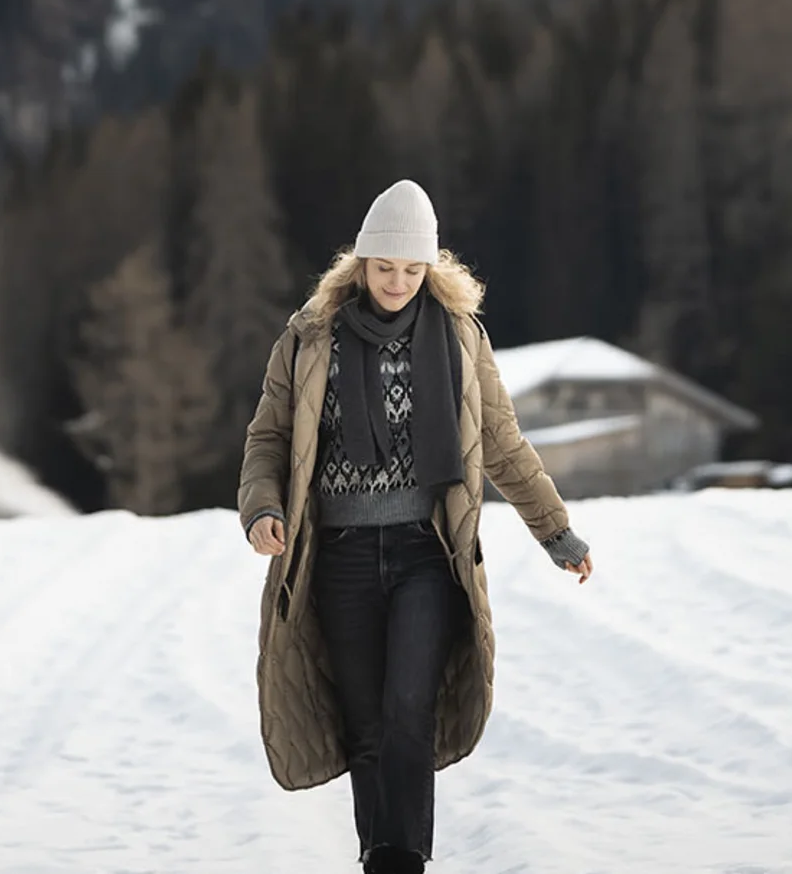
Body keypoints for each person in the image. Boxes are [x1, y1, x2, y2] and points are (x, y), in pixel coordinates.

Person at [239, 178, 594, 873]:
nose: (397, 282)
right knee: (365, 723)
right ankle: (383, 856)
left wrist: (556, 533)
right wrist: (263, 508)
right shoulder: (311, 337)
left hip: (426, 554)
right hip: (337, 556)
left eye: (411, 269)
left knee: (408, 709)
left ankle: (402, 859)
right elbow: (269, 439)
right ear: (360, 264)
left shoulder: (460, 337)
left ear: (431, 268)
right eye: (384, 267)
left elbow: (502, 443)